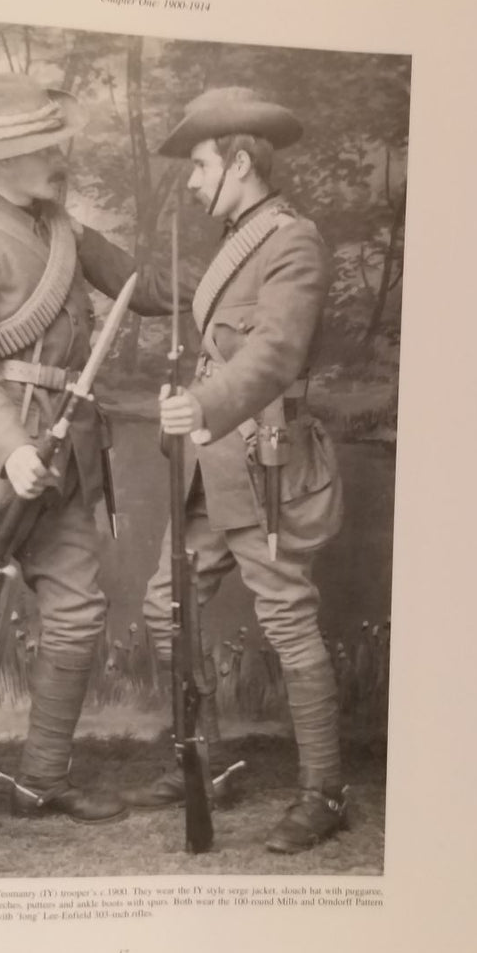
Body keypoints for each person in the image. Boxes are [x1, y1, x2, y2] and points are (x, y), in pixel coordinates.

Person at [82, 87, 347, 853]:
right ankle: (209, 757)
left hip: (265, 465)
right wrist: (77, 236)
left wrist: (199, 402)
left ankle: (324, 791)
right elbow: (177, 303)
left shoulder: (292, 241)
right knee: (170, 608)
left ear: (238, 162)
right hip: (212, 471)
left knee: (288, 621)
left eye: (200, 166)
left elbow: (274, 354)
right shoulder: (240, 239)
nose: (193, 182)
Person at [0, 72, 134, 841]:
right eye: (40, 147)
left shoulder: (64, 232)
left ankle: (42, 780)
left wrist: (243, 260)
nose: (58, 157)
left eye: (55, 141)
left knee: (77, 614)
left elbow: (149, 286)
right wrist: (11, 450)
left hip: (65, 460)